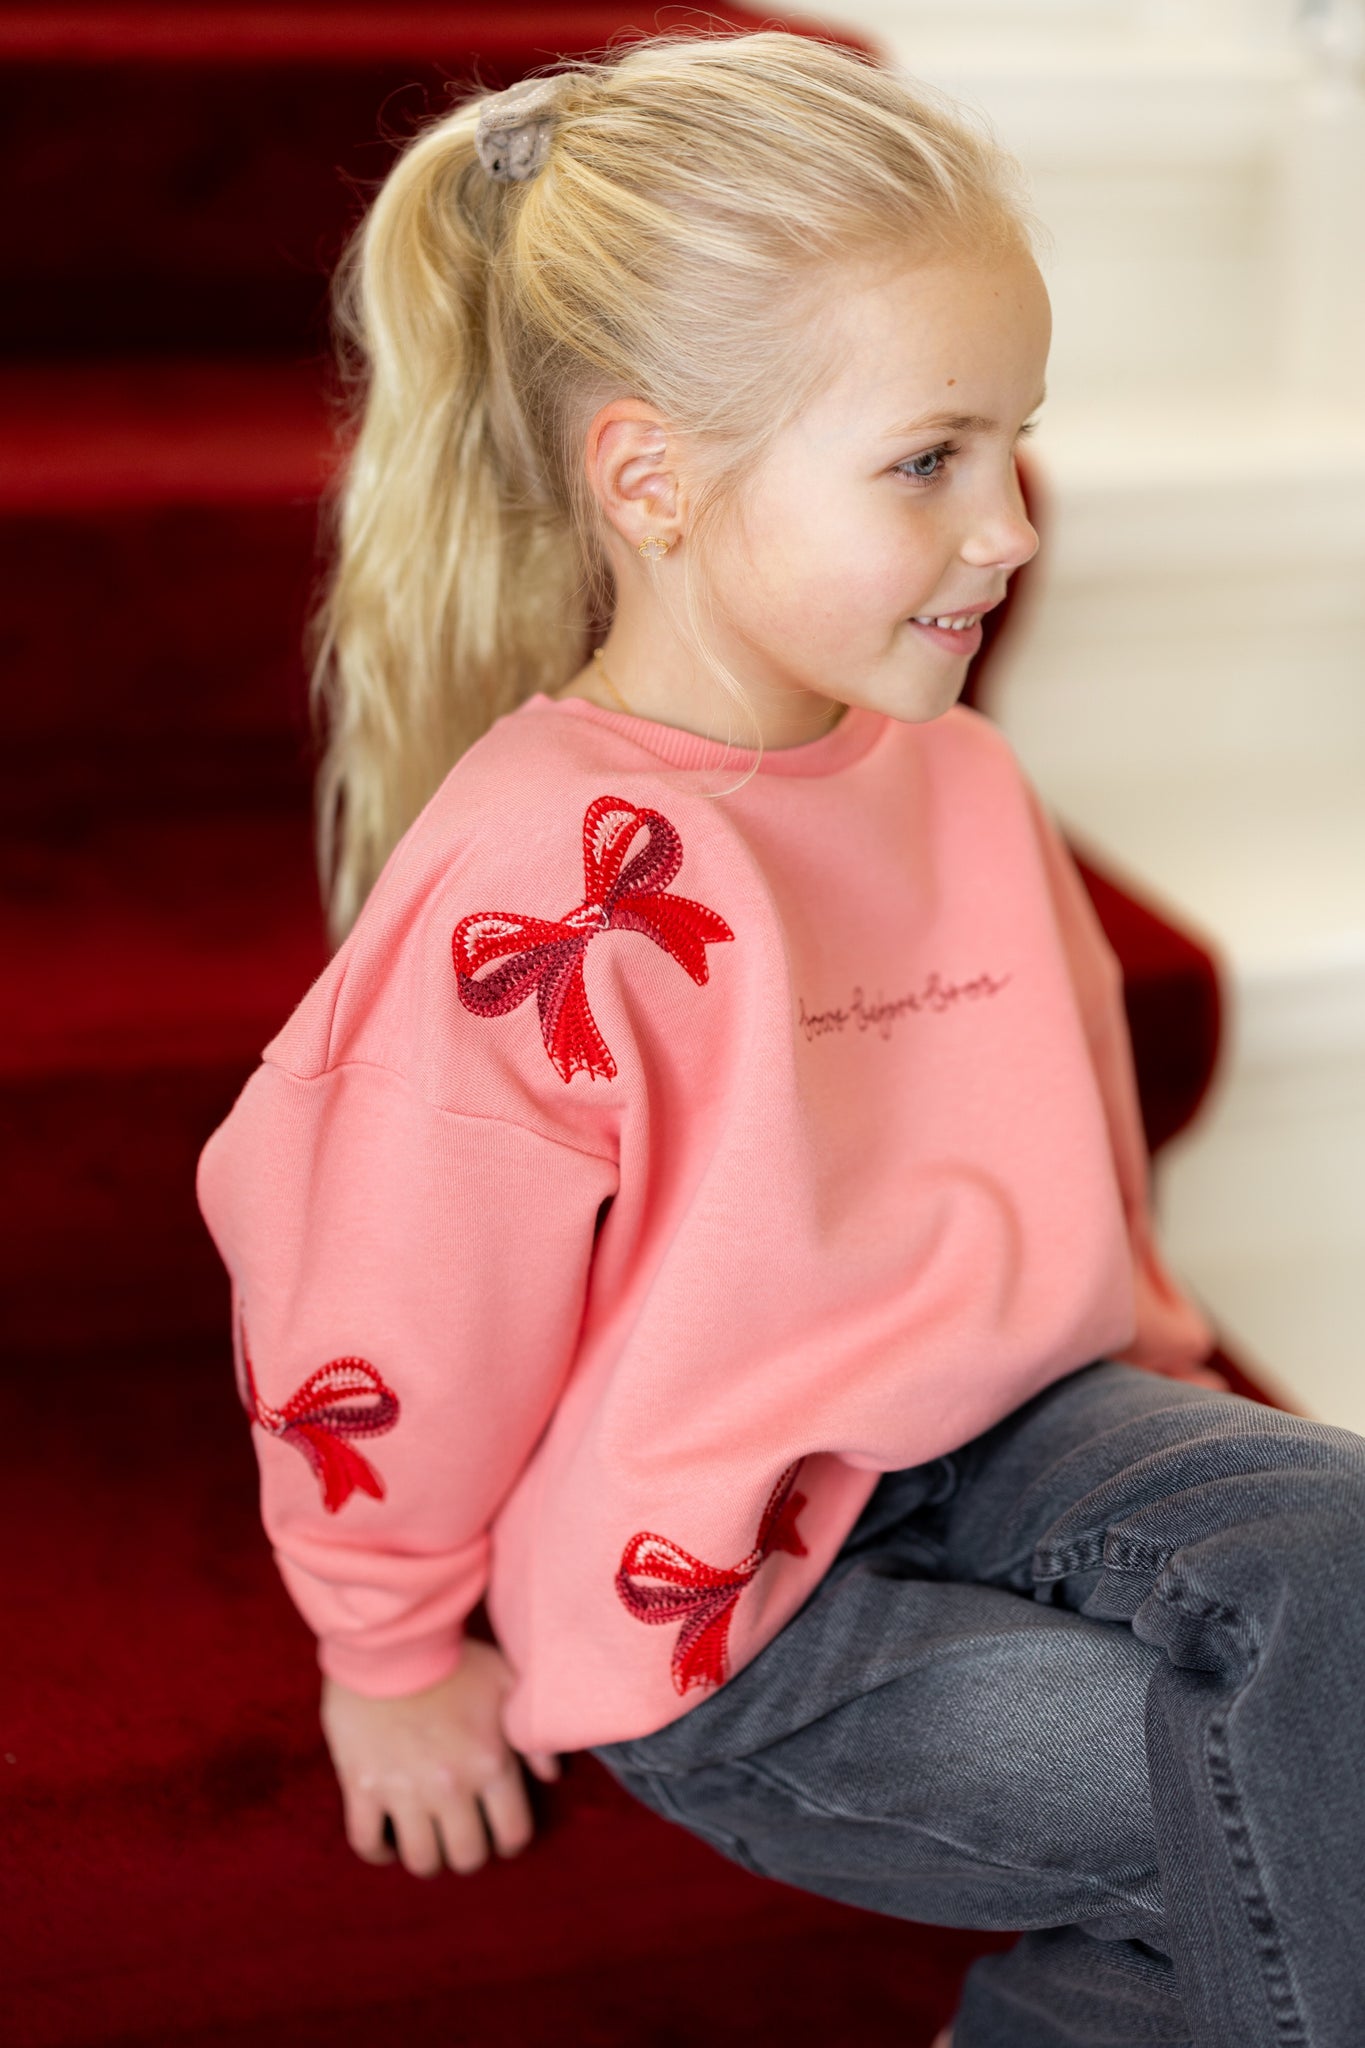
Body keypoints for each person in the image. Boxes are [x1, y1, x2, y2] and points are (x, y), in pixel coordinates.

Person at [195, 30, 1365, 2046]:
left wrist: (1181, 1420)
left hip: (1016, 1425)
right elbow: (382, 1309)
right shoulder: (533, 869)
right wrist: (384, 1653)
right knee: (1307, 1796)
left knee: (1335, 1575)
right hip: (717, 1600)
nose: (1006, 525)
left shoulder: (960, 777)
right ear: (648, 479)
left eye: (1011, 443)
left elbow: (1070, 1115)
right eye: (926, 460)